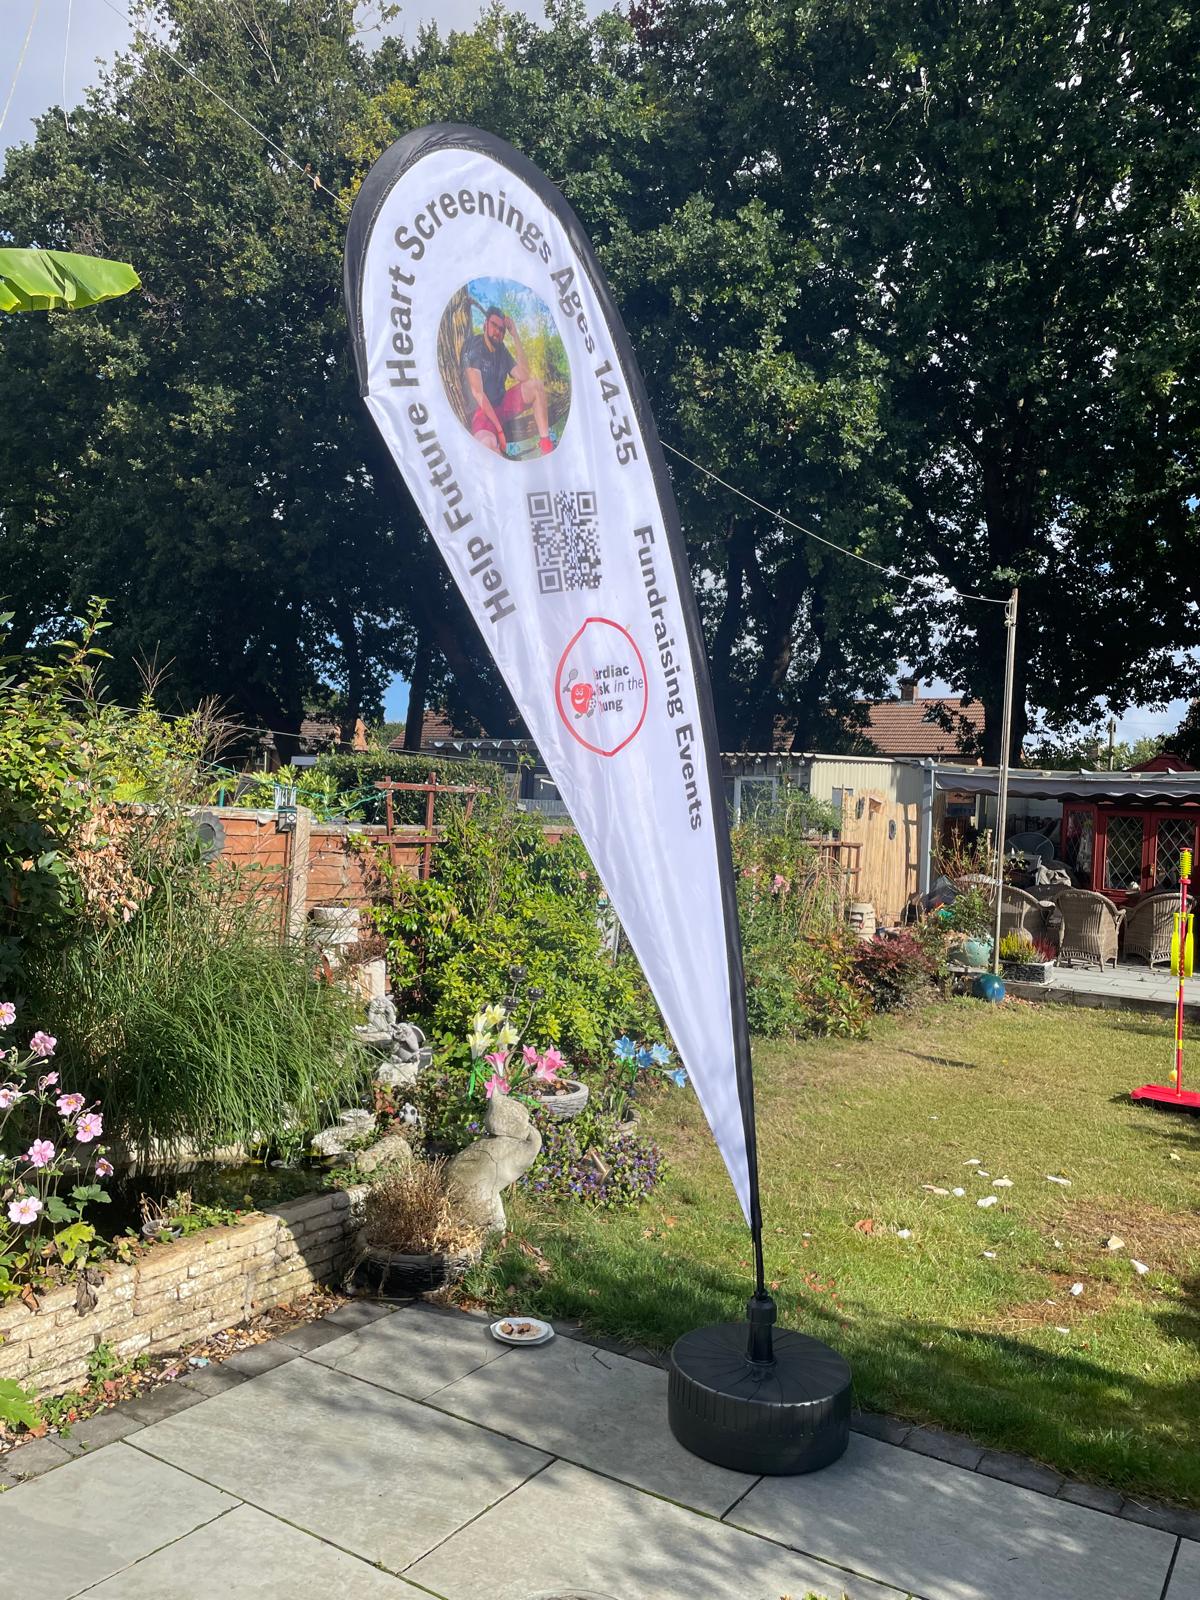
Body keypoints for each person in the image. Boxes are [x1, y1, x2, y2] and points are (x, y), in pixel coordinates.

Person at [461, 305, 553, 456]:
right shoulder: (475, 346)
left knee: (536, 386)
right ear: (485, 325)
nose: (498, 332)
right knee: (487, 447)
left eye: (502, 329)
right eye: (494, 325)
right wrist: (499, 430)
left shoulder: (502, 350)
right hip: (482, 413)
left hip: (502, 406)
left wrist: (515, 335)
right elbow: (478, 393)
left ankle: (546, 445)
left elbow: (524, 375)